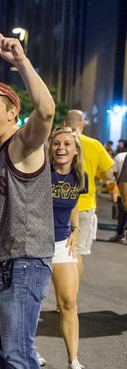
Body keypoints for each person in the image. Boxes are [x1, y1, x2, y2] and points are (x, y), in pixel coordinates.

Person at [0, 28, 56, 369]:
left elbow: (47, 110)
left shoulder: (23, 145)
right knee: (5, 351)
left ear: (12, 114)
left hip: (22, 263)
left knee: (18, 352)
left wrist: (21, 62)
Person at [47, 127, 89, 369]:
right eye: (56, 143)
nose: (61, 147)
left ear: (75, 150)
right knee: (30, 305)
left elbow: (73, 203)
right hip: (36, 246)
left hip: (62, 244)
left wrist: (75, 228)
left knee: (69, 303)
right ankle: (29, 350)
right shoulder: (41, 173)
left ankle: (73, 362)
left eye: (66, 144)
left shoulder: (79, 176)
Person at [64, 109, 114, 277]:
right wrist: (95, 174)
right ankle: (71, 297)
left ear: (65, 123)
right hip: (85, 205)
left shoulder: (58, 142)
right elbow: (108, 174)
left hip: (60, 203)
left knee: (56, 251)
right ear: (82, 124)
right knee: (76, 252)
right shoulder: (94, 144)